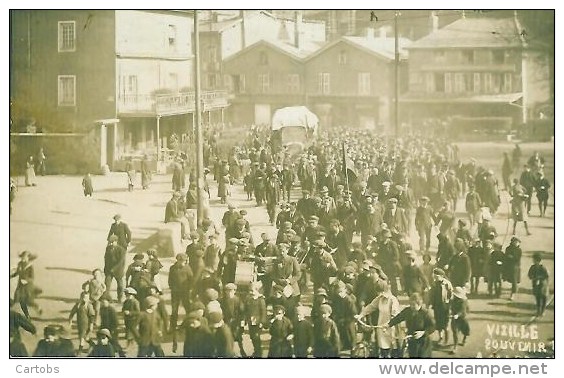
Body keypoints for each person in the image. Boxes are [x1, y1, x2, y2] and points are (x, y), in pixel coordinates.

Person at [356, 280, 401, 358]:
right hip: (381, 326)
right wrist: (361, 315)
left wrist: (388, 324)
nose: (378, 294)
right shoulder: (379, 299)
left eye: (380, 291)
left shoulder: (392, 300)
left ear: (385, 290)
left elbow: (395, 315)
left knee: (393, 349)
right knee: (383, 349)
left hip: (391, 327)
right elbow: (371, 307)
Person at [386, 293, 435, 358]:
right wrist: (388, 324)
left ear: (419, 304)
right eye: (410, 304)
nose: (411, 307)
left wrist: (423, 333)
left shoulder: (425, 313)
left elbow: (433, 327)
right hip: (412, 342)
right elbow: (398, 318)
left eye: (413, 305)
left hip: (423, 344)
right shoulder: (408, 311)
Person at [11, 250, 43, 319]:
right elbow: (17, 272)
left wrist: (26, 280)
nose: (23, 258)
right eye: (22, 257)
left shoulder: (30, 266)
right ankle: (27, 315)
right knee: (20, 301)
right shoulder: (20, 264)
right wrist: (10, 276)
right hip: (20, 286)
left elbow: (32, 277)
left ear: (28, 258)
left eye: (25, 257)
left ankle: (37, 307)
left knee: (28, 301)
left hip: (28, 287)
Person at [244, 282, 267, 357]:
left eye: (252, 290)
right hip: (251, 321)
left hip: (257, 321)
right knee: (252, 336)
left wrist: (262, 322)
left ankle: (259, 352)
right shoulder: (248, 298)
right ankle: (256, 350)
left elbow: (263, 311)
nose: (251, 292)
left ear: (257, 291)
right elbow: (246, 310)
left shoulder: (261, 300)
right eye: (250, 290)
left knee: (256, 337)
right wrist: (245, 320)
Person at [104, 235, 126, 303]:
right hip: (109, 270)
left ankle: (119, 298)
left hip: (118, 270)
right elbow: (106, 258)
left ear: (116, 242)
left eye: (112, 242)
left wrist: (114, 268)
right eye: (110, 242)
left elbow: (121, 261)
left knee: (120, 285)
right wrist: (105, 268)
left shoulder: (121, 249)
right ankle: (107, 297)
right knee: (107, 284)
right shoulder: (108, 248)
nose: (111, 244)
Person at [528, 252, 550, 317]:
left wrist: (540, 278)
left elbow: (546, 276)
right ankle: (538, 311)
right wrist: (533, 277)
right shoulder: (532, 267)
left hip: (543, 285)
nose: (533, 261)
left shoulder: (543, 268)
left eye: (535, 260)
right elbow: (529, 275)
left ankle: (542, 311)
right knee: (537, 298)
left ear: (538, 260)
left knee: (543, 298)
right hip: (535, 285)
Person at [449, 287, 470, 355]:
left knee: (465, 330)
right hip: (454, 318)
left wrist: (457, 315)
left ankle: (464, 339)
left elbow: (463, 310)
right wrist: (450, 312)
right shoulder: (453, 300)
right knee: (455, 332)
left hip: (462, 318)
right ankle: (455, 346)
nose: (454, 295)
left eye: (455, 294)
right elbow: (451, 307)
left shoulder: (463, 301)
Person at [504, 237, 522, 301]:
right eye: (516, 242)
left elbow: (517, 258)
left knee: (514, 281)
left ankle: (513, 294)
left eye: (518, 242)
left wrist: (511, 257)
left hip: (515, 267)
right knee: (510, 280)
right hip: (508, 267)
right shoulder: (508, 248)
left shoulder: (519, 250)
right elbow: (506, 256)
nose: (517, 243)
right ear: (513, 242)